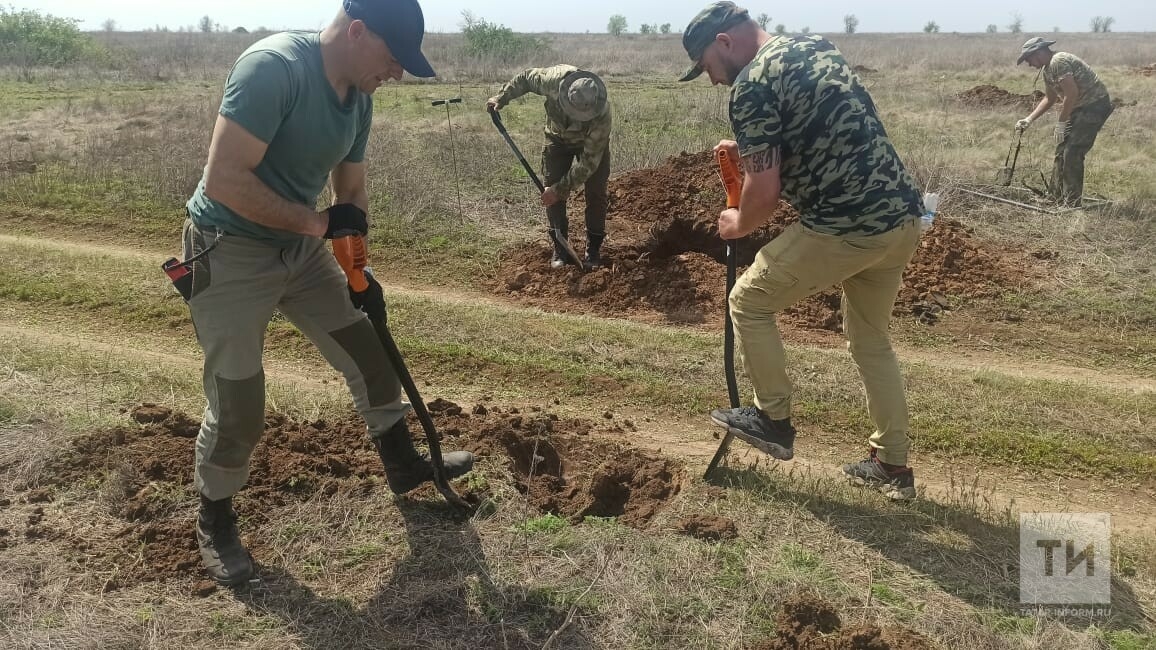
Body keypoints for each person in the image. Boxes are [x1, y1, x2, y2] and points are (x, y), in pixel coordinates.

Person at [177, 0, 474, 586]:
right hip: (230, 248)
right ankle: (214, 515)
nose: (396, 74)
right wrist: (321, 225)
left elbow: (352, 189)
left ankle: (402, 464)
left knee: (371, 354)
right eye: (393, 59)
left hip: (303, 251)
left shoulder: (357, 98)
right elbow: (225, 180)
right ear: (357, 32)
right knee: (238, 403)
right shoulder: (273, 69)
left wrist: (355, 258)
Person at [679, 2, 925, 500]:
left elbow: (763, 195)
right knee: (870, 340)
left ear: (724, 43)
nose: (712, 80)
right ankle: (892, 465)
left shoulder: (750, 84)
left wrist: (737, 223)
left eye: (707, 66)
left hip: (847, 225)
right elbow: (820, 130)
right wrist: (749, 148)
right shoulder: (812, 47)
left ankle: (772, 419)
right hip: (901, 218)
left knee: (748, 302)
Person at [486, 65, 612, 269]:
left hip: (590, 146)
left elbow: (589, 163)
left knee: (596, 192)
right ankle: (560, 247)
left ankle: (593, 249)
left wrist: (561, 189)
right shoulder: (552, 80)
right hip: (557, 139)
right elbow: (526, 79)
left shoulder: (602, 113)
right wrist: (501, 97)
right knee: (550, 191)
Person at [1015, 37, 1113, 206]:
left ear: (1038, 53)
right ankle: (1055, 196)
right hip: (1079, 108)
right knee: (1061, 151)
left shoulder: (1058, 61)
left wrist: (1061, 123)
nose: (1029, 64)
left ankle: (1071, 202)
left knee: (1072, 152)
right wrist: (1029, 119)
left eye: (1028, 59)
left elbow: (1071, 94)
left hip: (1094, 105)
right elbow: (1050, 98)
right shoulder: (1048, 70)